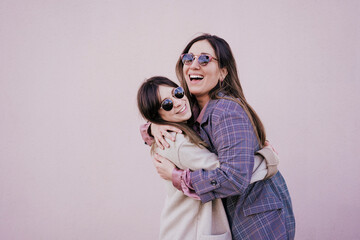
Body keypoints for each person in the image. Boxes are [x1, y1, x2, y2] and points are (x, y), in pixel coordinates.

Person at [141, 34, 295, 240]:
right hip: (234, 213)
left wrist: (178, 177)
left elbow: (235, 178)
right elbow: (162, 111)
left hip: (258, 218)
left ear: (223, 72)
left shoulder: (225, 111)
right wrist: (153, 126)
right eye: (188, 58)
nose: (194, 64)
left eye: (204, 59)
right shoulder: (191, 106)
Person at [137, 76, 279, 240]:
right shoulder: (177, 143)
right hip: (190, 232)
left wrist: (151, 127)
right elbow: (232, 174)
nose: (177, 102)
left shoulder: (173, 130)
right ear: (156, 115)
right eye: (167, 104)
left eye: (177, 92)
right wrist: (268, 159)